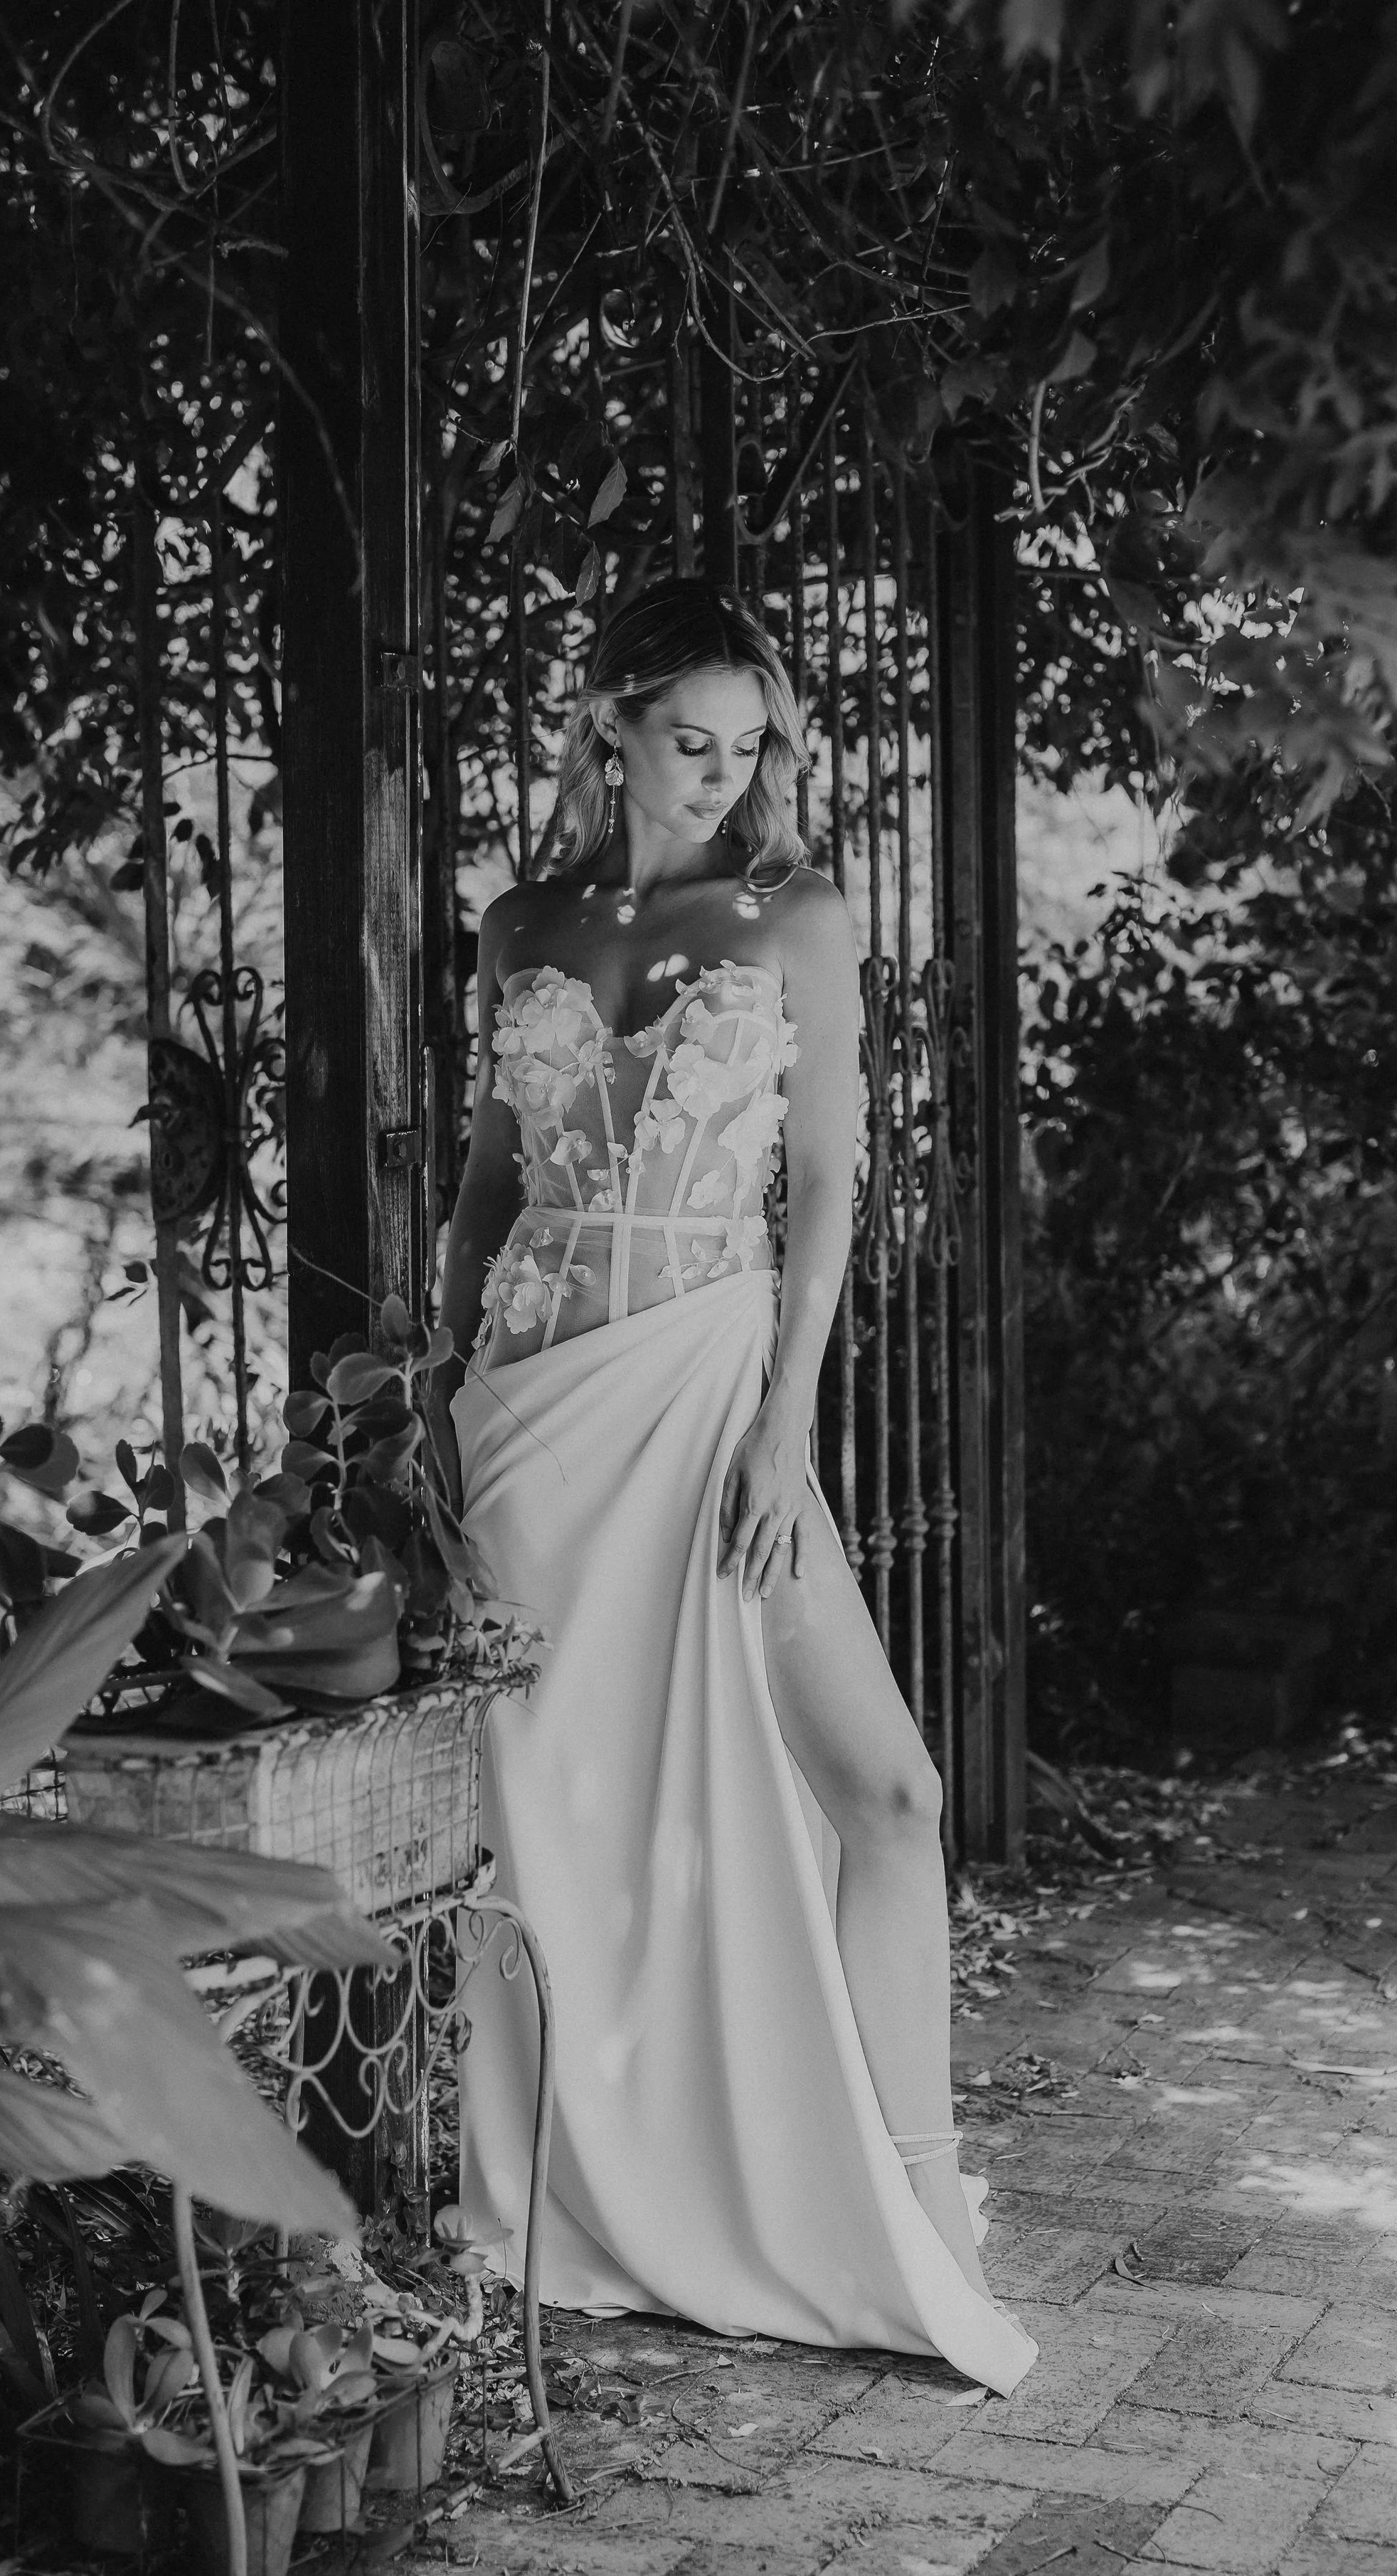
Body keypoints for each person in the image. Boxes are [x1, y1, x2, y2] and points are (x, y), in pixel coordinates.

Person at [432, 578, 1034, 2394]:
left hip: (704, 1400)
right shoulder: (520, 921)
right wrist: (419, 1408)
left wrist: (783, 1432)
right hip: (526, 1416)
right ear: (608, 726)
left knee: (891, 1790)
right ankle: (595, 2196)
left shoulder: (798, 915)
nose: (722, 775)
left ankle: (910, 2196)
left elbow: (829, 1191)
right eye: (688, 740)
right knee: (564, 1829)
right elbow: (483, 1191)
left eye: (748, 744)